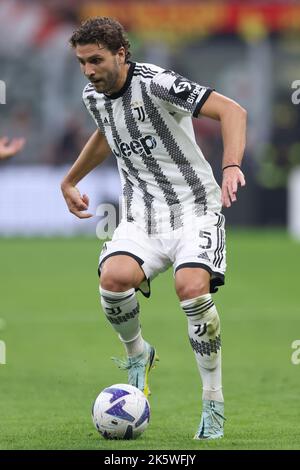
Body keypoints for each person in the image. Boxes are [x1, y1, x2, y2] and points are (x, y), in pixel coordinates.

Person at [61, 17, 246, 440]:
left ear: (121, 54)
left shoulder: (157, 82)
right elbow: (108, 133)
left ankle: (212, 401)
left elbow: (232, 110)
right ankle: (138, 355)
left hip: (196, 208)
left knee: (191, 288)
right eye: (81, 62)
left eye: (96, 60)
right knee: (113, 279)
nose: (88, 71)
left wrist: (231, 164)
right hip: (142, 215)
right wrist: (71, 180)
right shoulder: (95, 95)